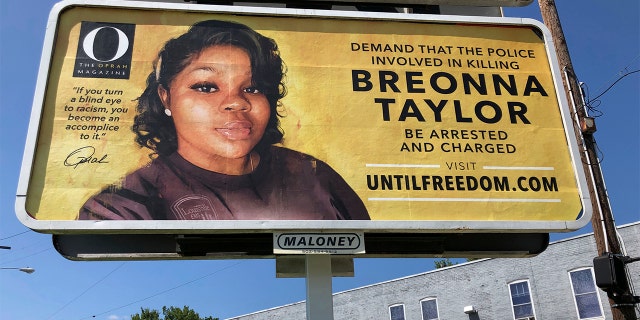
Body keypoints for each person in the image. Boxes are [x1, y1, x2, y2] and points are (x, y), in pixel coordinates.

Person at [79, 20, 370, 220]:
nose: (236, 102)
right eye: (206, 87)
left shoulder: (312, 174)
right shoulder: (121, 206)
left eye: (253, 88)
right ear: (166, 97)